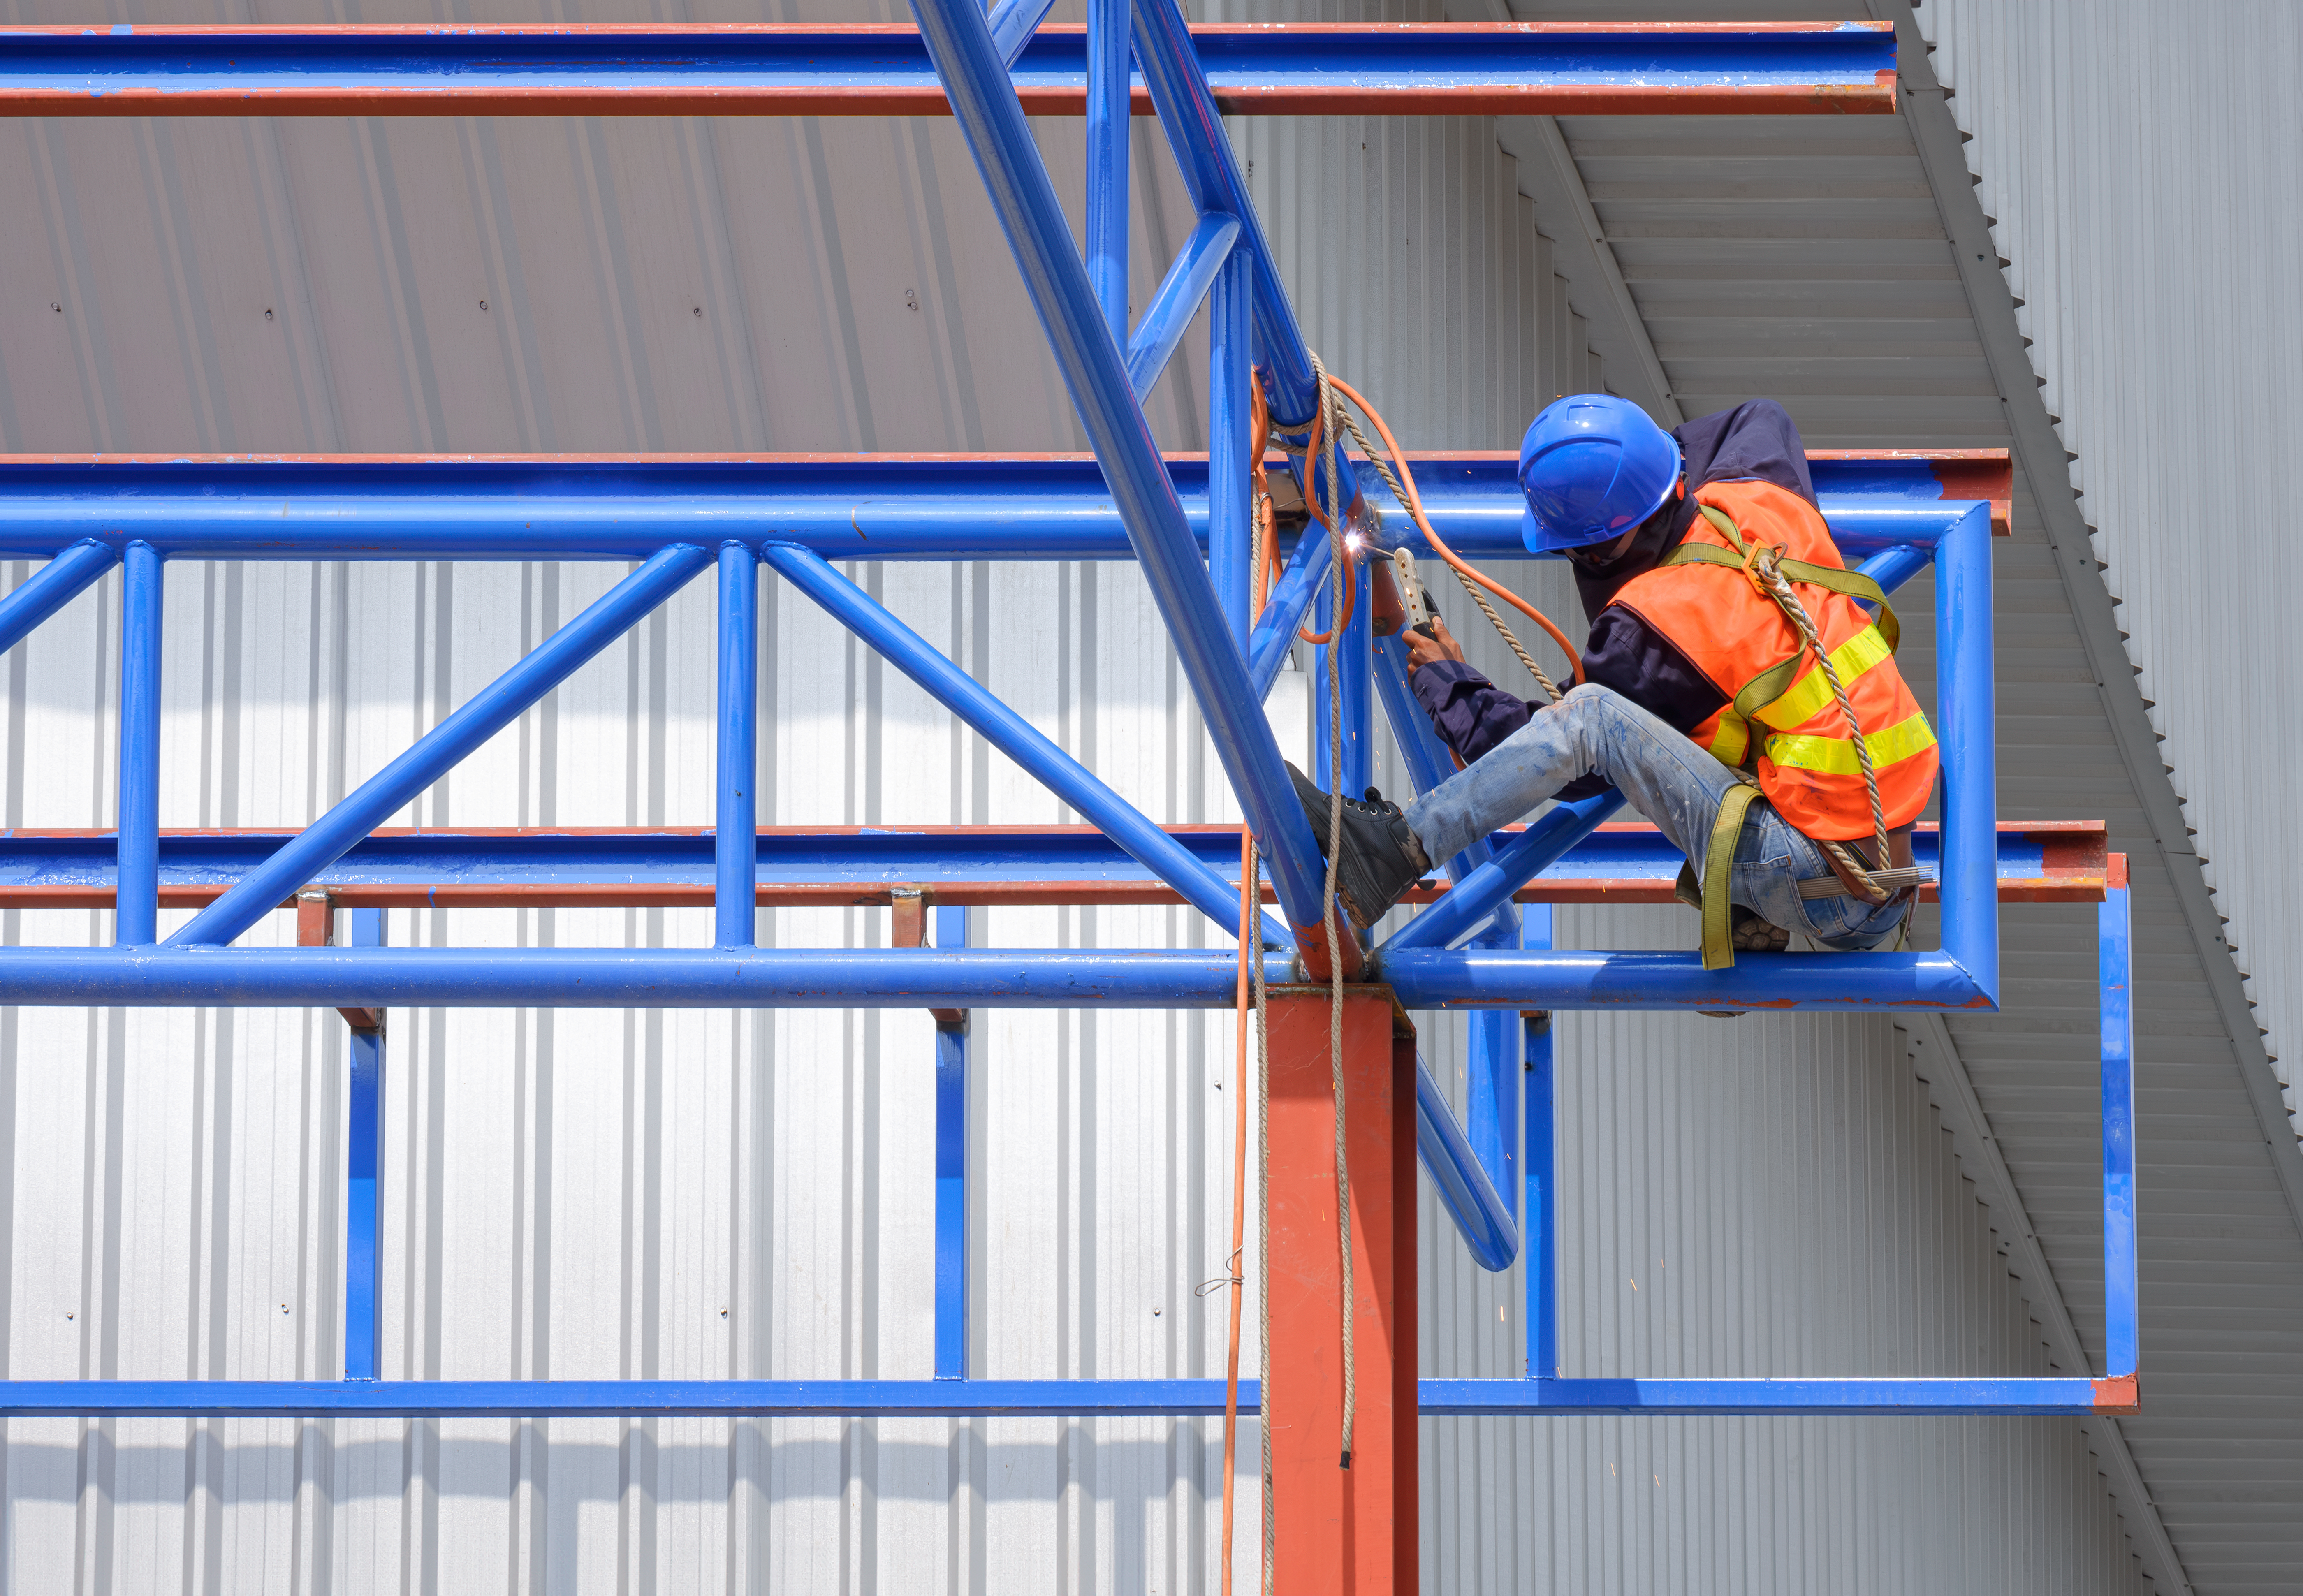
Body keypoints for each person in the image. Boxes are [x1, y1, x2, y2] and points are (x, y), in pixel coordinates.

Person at [1288, 394, 1936, 964]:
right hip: (1883, 875)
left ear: (1599, 552)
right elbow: (1758, 418)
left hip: (1824, 887)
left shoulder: (1652, 630)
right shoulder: (1759, 481)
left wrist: (1450, 683)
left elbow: (1563, 752)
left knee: (1593, 714)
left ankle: (1395, 851)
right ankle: (1750, 902)